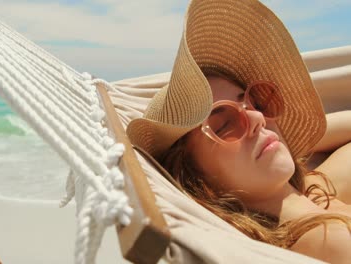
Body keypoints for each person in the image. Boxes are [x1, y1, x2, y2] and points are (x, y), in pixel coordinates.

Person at [126, 0, 351, 262]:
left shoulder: (315, 188)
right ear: (192, 174)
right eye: (226, 124)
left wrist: (280, 139)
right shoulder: (329, 242)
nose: (257, 118)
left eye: (256, 101)